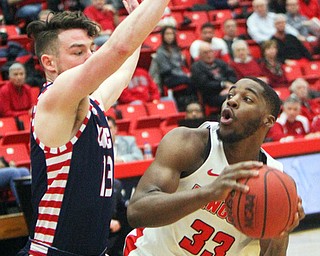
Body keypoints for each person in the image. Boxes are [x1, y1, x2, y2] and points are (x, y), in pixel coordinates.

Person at [18, 0, 171, 255]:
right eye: (78, 52)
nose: (91, 58)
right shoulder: (54, 100)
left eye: (92, 49)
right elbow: (118, 49)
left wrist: (140, 30)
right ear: (49, 63)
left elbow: (121, 74)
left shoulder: (91, 104)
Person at [123, 77, 305, 256]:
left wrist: (280, 234)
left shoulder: (273, 180)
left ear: (268, 120)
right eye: (230, 95)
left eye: (247, 99)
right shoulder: (189, 143)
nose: (232, 101)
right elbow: (137, 211)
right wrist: (209, 192)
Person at [153, 25, 195, 110]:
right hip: (169, 77)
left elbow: (182, 65)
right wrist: (184, 76)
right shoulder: (160, 51)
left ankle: (192, 103)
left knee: (196, 78)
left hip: (181, 75)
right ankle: (186, 104)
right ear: (163, 36)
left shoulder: (177, 49)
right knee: (189, 80)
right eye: (167, 34)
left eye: (171, 34)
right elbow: (165, 70)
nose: (169, 36)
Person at [190, 41, 237, 109]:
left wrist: (229, 88)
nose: (209, 55)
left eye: (210, 51)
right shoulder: (196, 67)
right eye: (205, 53)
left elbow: (232, 75)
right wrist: (222, 84)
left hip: (228, 90)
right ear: (199, 55)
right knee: (232, 99)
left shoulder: (220, 62)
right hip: (212, 95)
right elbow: (205, 84)